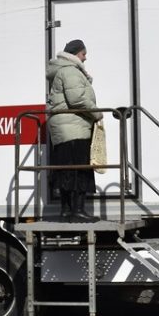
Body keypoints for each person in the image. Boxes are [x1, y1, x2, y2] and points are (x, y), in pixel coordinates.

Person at [45, 39, 102, 222]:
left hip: (66, 127)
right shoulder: (70, 71)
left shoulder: (63, 70)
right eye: (83, 54)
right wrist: (97, 115)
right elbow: (77, 99)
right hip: (73, 127)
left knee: (66, 169)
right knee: (79, 168)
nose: (85, 58)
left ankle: (66, 211)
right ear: (75, 53)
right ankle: (77, 211)